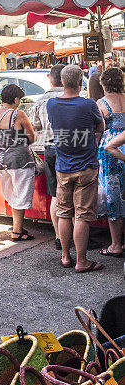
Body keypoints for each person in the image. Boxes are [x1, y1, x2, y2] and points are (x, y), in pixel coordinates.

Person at [47, 64, 104, 273]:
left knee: (64, 213)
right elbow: (100, 127)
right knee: (82, 215)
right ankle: (81, 261)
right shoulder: (88, 104)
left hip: (63, 166)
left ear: (62, 82)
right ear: (80, 82)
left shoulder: (51, 105)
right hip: (86, 166)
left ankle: (65, 256)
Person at [0, 84, 36, 241]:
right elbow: (31, 137)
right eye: (20, 99)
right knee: (21, 194)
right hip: (20, 161)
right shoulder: (19, 114)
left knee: (12, 195)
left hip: (1, 161)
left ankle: (18, 227)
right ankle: (16, 231)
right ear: (16, 99)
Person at [33, 64, 64, 249]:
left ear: (50, 78)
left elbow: (36, 127)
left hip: (49, 149)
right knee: (71, 194)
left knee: (54, 195)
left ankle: (59, 237)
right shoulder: (70, 96)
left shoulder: (41, 100)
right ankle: (76, 234)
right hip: (68, 148)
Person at [96, 67, 125, 256]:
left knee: (114, 197)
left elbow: (97, 129)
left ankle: (115, 244)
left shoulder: (101, 103)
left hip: (110, 152)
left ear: (104, 83)